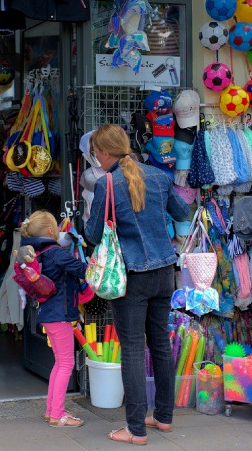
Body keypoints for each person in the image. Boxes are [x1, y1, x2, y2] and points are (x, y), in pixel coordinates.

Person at [85, 124, 190, 445]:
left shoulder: (107, 184)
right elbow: (182, 210)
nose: (96, 159)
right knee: (159, 343)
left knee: (131, 348)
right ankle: (163, 417)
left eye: (95, 153)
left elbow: (91, 235)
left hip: (130, 276)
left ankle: (135, 429)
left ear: (105, 152)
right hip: (163, 270)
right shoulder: (158, 176)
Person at [21, 210, 88, 427]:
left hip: (50, 314)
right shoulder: (56, 253)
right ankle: (58, 414)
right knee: (66, 363)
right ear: (51, 231)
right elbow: (82, 270)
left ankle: (52, 410)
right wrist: (98, 266)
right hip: (59, 315)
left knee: (60, 363)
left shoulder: (40, 253)